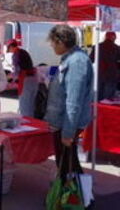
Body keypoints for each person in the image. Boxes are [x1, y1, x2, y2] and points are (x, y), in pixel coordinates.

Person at [45, 24, 93, 182]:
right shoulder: (71, 58)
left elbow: (74, 101)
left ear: (60, 41)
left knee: (67, 166)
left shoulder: (77, 62)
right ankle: (74, 198)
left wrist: (68, 133)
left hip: (66, 123)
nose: (51, 45)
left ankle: (73, 200)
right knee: (68, 163)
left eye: (52, 42)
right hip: (63, 122)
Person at [7, 39, 38, 117]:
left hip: (25, 80)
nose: (8, 50)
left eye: (8, 48)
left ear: (11, 47)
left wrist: (9, 78)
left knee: (24, 106)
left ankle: (26, 124)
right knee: (31, 105)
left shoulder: (16, 55)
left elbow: (17, 71)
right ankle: (32, 123)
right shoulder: (24, 52)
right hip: (34, 79)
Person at [90, 31, 120, 100]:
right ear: (114, 38)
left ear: (106, 37)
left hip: (99, 74)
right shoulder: (117, 48)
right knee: (108, 99)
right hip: (112, 75)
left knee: (98, 96)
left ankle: (97, 109)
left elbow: (91, 59)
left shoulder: (97, 47)